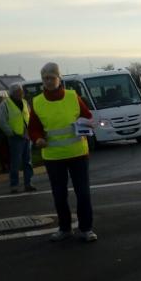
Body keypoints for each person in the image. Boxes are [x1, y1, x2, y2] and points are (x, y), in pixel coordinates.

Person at [28, 62, 98, 242]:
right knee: (59, 195)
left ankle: (85, 229)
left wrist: (87, 124)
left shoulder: (72, 96)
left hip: (78, 154)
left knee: (83, 193)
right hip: (53, 157)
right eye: (45, 78)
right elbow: (33, 128)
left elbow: (88, 117)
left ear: (59, 79)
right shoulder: (37, 102)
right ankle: (65, 228)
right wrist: (38, 139)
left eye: (51, 78)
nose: (48, 81)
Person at [0, 83, 37, 194]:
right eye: (19, 91)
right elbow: (1, 121)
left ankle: (28, 183)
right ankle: (14, 185)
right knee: (15, 162)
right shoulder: (5, 104)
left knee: (28, 161)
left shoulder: (24, 102)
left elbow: (29, 116)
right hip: (15, 137)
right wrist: (11, 133)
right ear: (13, 92)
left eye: (21, 91)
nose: (22, 93)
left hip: (26, 136)